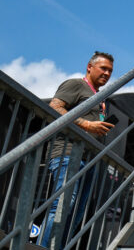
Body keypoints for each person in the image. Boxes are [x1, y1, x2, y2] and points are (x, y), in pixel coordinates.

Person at [41, 51, 116, 248]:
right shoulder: (75, 84)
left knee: (77, 214)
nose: (107, 74)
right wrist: (87, 125)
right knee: (62, 206)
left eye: (110, 71)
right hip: (67, 153)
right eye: (103, 68)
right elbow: (55, 107)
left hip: (88, 158)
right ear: (89, 67)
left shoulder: (99, 97)